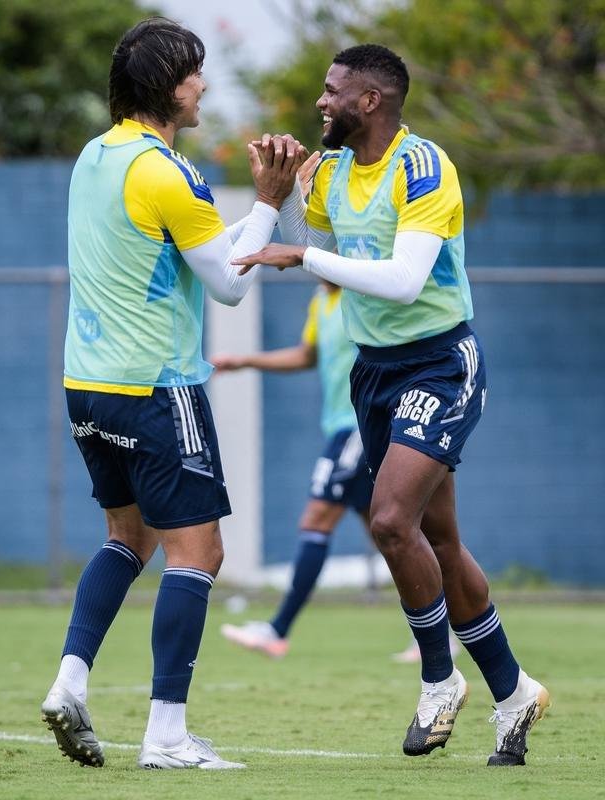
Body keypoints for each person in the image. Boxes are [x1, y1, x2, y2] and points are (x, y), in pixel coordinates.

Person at [232, 44, 550, 766]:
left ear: (369, 100)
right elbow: (313, 250)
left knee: (387, 520)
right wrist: (281, 195)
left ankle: (439, 681)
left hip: (440, 365)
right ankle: (513, 693)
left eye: (332, 89)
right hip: (373, 372)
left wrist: (300, 254)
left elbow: (405, 281)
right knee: (440, 543)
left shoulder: (423, 166)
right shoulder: (332, 170)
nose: (321, 101)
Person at [40, 17, 306, 772]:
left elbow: (193, 250)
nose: (204, 85)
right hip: (156, 386)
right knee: (200, 551)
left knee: (130, 539)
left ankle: (69, 683)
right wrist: (270, 199)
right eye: (194, 72)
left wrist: (267, 207)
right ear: (167, 85)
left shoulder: (95, 156)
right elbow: (228, 285)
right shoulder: (169, 172)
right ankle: (165, 736)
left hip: (88, 387)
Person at [216, 279, 373, 657]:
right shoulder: (321, 301)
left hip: (360, 426)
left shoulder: (362, 292)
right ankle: (440, 632)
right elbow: (307, 355)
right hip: (341, 426)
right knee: (394, 534)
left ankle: (277, 630)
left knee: (317, 519)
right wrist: (244, 361)